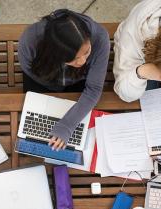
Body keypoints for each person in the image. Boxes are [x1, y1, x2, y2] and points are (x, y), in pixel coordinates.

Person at [18, 9, 110, 150]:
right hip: (41, 79)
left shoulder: (100, 38)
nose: (83, 62)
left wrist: (67, 126)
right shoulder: (30, 41)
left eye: (87, 52)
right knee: (34, 134)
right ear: (54, 54)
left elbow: (93, 89)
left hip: (79, 80)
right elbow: (29, 70)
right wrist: (52, 88)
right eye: (73, 59)